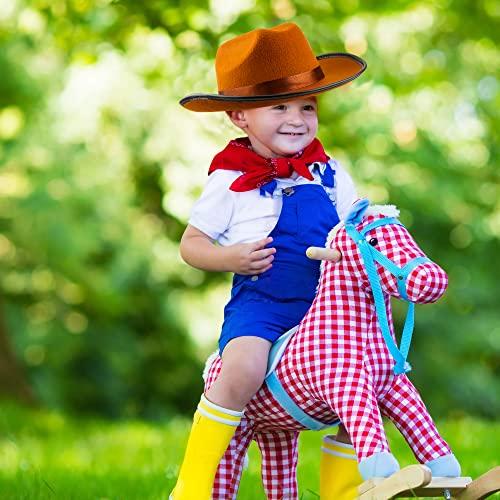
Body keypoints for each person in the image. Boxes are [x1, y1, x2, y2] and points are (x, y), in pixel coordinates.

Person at [171, 22, 367, 499]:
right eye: (279, 106)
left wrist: (361, 254)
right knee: (243, 365)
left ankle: (344, 489)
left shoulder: (329, 173)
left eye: (307, 106)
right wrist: (230, 257)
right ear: (240, 116)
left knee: (368, 375)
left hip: (326, 307)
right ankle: (193, 483)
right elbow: (190, 244)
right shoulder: (229, 179)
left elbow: (360, 229)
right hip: (262, 303)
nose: (296, 119)